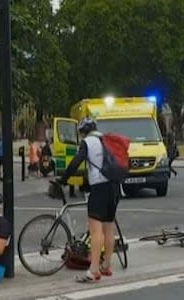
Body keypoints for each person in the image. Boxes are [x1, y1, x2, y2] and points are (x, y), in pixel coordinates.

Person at [58, 117, 119, 283]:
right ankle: (106, 265)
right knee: (109, 227)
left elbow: (77, 162)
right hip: (114, 187)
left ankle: (93, 271)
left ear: (84, 131)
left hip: (99, 188)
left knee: (95, 230)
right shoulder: (106, 139)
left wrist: (64, 179)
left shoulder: (88, 142)